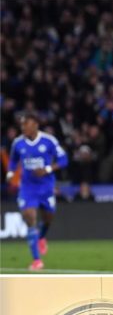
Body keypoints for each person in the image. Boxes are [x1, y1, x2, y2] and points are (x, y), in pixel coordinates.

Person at [7, 112, 69, 270]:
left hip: (46, 187)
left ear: (35, 124)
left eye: (25, 124)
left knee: (48, 218)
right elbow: (13, 160)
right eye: (21, 125)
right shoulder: (18, 143)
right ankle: (36, 260)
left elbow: (63, 160)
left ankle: (41, 237)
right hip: (27, 188)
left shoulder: (48, 141)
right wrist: (10, 173)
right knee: (30, 217)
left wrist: (48, 168)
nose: (23, 128)